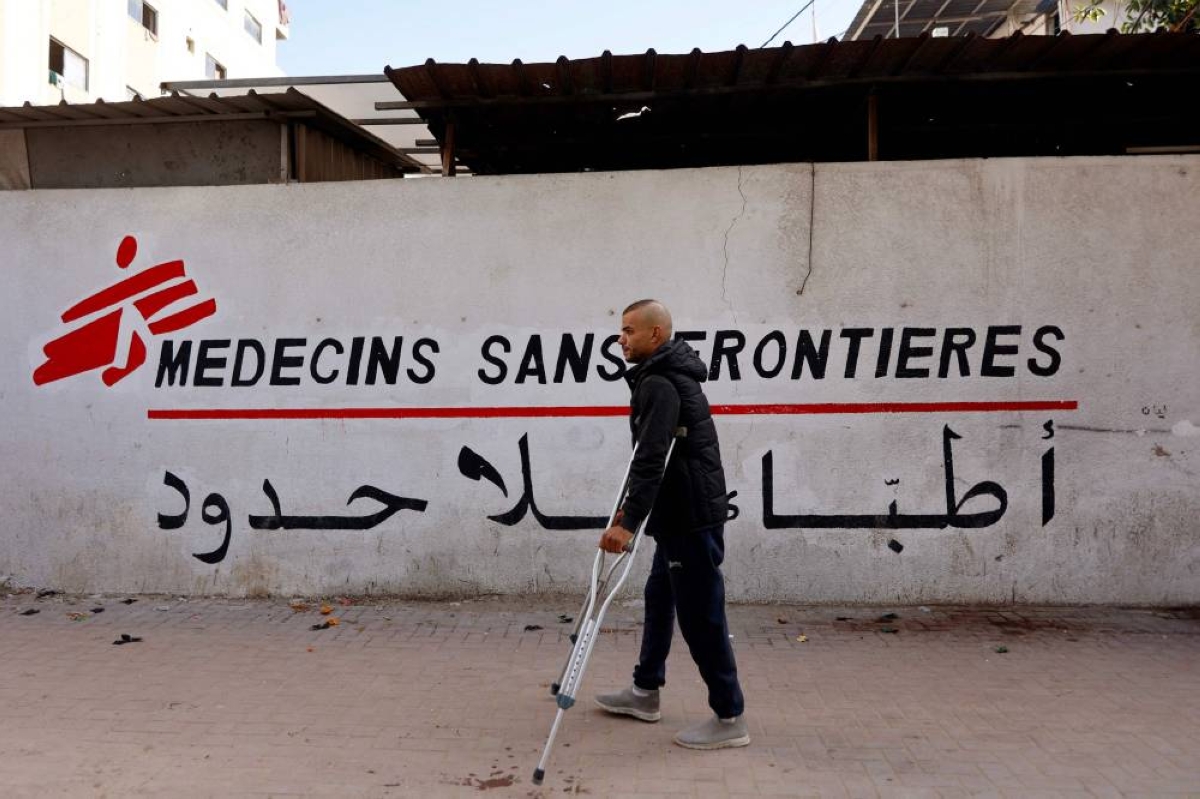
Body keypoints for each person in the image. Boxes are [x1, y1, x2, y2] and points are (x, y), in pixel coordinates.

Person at [594, 299, 749, 750]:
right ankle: (645, 691)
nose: (620, 340)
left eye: (628, 331)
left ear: (656, 334)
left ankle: (729, 715)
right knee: (659, 597)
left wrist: (628, 523)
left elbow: (651, 457)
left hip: (688, 517)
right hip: (678, 513)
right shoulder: (663, 376)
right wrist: (635, 511)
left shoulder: (660, 382)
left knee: (701, 615)